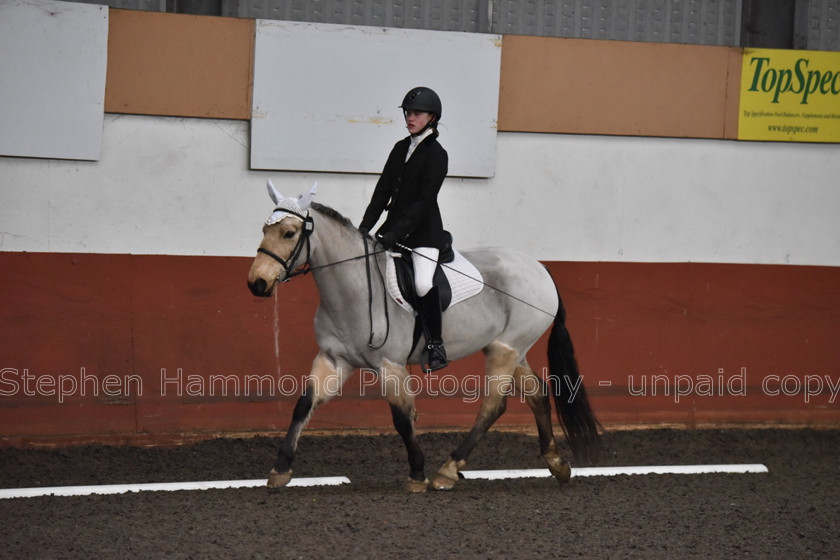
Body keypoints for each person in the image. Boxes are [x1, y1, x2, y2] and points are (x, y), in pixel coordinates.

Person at [358, 86, 449, 372]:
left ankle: (436, 344)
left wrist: (392, 235)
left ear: (432, 117)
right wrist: (364, 229)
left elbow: (423, 203)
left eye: (417, 113)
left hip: (423, 235)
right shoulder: (400, 148)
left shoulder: (437, 154)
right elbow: (382, 192)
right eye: (408, 113)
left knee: (422, 283)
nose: (410, 117)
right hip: (392, 231)